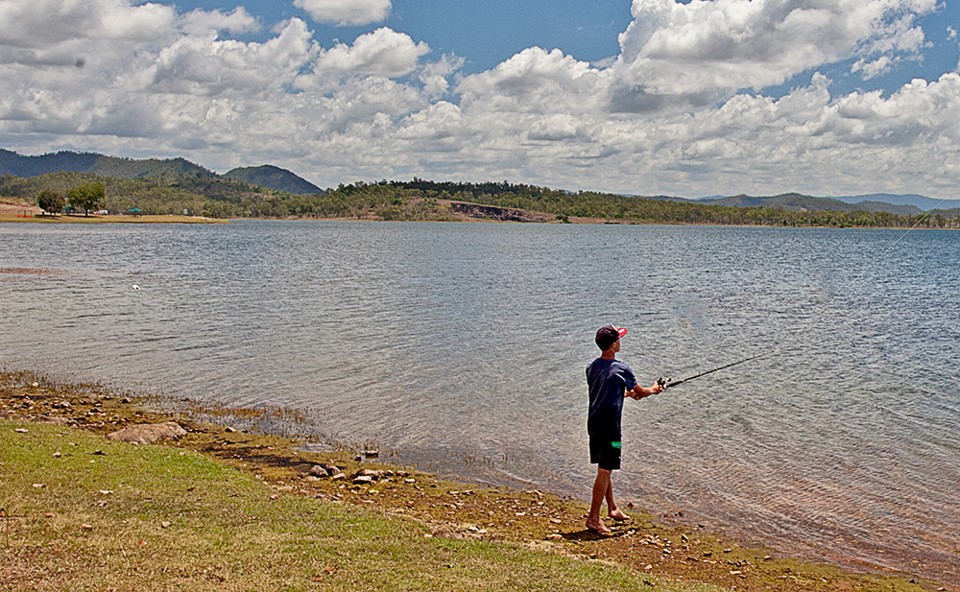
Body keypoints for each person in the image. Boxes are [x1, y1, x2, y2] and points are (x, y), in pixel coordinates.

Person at [585, 325, 663, 534]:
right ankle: (593, 518)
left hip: (593, 423)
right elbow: (641, 392)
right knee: (606, 468)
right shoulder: (623, 369)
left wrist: (626, 394)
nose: (620, 341)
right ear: (612, 346)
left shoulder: (591, 367)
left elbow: (605, 390)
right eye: (618, 339)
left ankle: (612, 508)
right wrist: (654, 390)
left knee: (604, 465)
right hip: (611, 428)